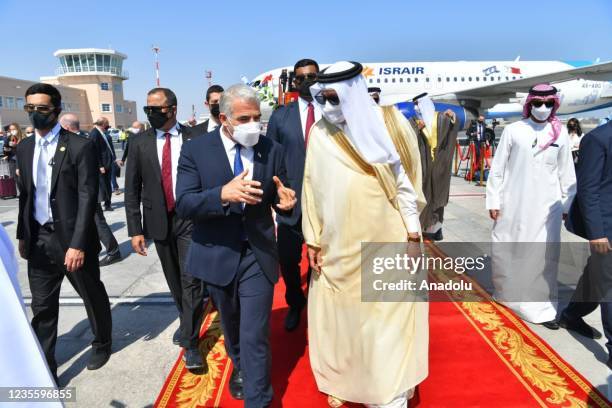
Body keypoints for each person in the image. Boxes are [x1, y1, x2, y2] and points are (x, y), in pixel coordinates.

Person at [303, 61, 427, 408]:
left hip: (385, 236)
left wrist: (414, 234)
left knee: (388, 317)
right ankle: (347, 381)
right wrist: (312, 237)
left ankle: (392, 391)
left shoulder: (391, 123)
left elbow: (407, 183)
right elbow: (311, 187)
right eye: (322, 98)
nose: (328, 106)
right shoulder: (319, 132)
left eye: (334, 97)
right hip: (337, 243)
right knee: (344, 320)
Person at [176, 84, 297, 406]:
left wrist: (286, 204)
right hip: (217, 252)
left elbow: (281, 193)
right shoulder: (196, 150)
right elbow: (185, 203)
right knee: (231, 327)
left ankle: (258, 399)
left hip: (257, 253)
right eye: (244, 118)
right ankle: (240, 365)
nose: (252, 125)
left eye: (257, 117)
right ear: (224, 118)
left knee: (255, 333)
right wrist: (221, 195)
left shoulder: (273, 149)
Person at [15, 83, 113, 382]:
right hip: (39, 240)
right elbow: (25, 196)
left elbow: (87, 198)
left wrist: (78, 243)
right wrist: (23, 235)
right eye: (29, 108)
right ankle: (46, 368)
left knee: (90, 294)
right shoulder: (24, 148)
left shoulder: (80, 146)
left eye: (41, 108)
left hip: (72, 239)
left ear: (55, 110)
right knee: (42, 307)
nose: (34, 114)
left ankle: (102, 343)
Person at [124, 88, 208, 370]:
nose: (150, 114)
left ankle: (191, 342)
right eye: (147, 109)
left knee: (191, 280)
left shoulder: (196, 138)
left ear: (172, 109)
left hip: (190, 219)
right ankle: (187, 320)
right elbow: (131, 189)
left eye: (156, 109)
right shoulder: (139, 142)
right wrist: (135, 229)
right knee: (174, 280)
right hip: (158, 220)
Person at [486, 84, 576, 328]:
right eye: (538, 103)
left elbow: (567, 173)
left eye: (548, 104)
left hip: (548, 208)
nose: (543, 108)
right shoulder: (514, 130)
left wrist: (568, 204)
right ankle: (507, 296)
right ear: (529, 104)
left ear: (555, 105)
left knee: (543, 256)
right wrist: (494, 199)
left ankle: (542, 309)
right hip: (513, 203)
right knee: (510, 249)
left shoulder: (561, 134)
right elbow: (498, 169)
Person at [265, 58, 320, 331]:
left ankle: (318, 303)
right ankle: (295, 303)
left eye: (312, 76)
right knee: (287, 259)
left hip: (325, 204)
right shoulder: (280, 116)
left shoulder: (333, 112)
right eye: (301, 78)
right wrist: (276, 194)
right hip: (291, 204)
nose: (307, 81)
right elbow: (271, 157)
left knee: (322, 259)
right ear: (294, 83)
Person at [562, 120, 612, 368]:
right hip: (606, 226)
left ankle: (571, 314)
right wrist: (597, 233)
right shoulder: (598, 139)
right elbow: (588, 190)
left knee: (598, 276)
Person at [60, 113, 121, 267]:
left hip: (87, 192)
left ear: (66, 127)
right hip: (80, 192)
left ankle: (113, 251)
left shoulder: (81, 141)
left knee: (98, 221)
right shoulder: (82, 138)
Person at [408, 93, 459, 241]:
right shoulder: (413, 121)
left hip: (439, 166)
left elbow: (453, 126)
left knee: (438, 198)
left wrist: (453, 118)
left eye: (419, 104)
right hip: (423, 167)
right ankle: (423, 227)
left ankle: (436, 229)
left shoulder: (441, 118)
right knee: (423, 196)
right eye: (415, 105)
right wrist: (416, 129)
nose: (417, 107)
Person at [89, 117, 115, 211]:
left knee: (107, 184)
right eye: (107, 124)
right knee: (105, 185)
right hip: (103, 165)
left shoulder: (101, 132)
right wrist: (100, 166)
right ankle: (106, 204)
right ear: (103, 124)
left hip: (107, 163)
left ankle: (107, 203)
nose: (107, 126)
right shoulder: (94, 133)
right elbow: (94, 151)